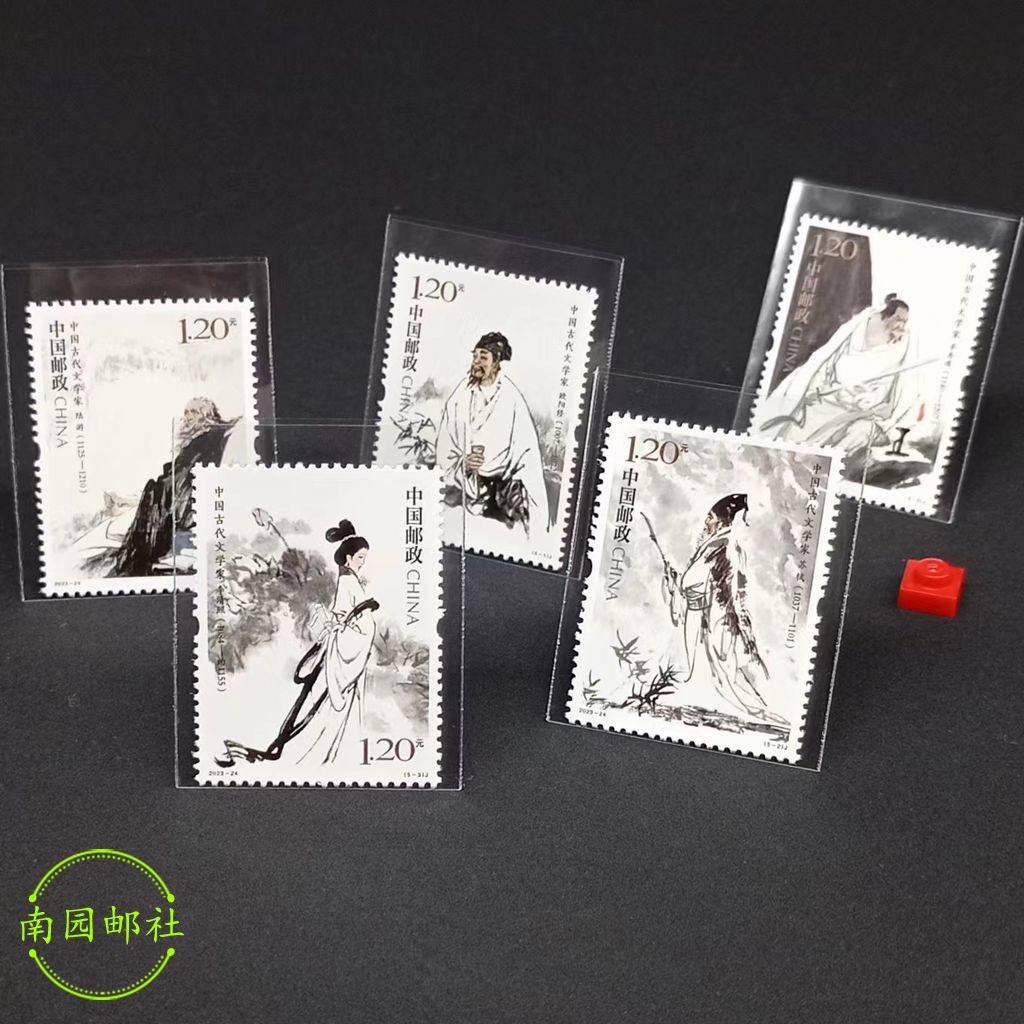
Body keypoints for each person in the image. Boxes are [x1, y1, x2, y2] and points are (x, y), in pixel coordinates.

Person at [217, 520, 378, 767]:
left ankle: (283, 749)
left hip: (347, 646)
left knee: (316, 704)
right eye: (360, 558)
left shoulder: (351, 580)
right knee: (318, 707)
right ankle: (289, 751)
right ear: (348, 558)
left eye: (364, 558)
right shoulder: (348, 581)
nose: (362, 562)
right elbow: (342, 616)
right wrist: (354, 627)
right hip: (344, 649)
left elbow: (345, 616)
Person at [755, 294, 926, 474]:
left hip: (861, 406)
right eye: (899, 319)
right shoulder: (862, 323)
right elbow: (832, 360)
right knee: (798, 428)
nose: (902, 324)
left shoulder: (900, 343)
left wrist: (870, 397)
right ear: (888, 314)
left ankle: (802, 466)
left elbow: (890, 385)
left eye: (904, 321)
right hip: (832, 394)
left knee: (844, 434)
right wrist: (831, 385)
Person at [648, 495, 782, 724]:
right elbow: (694, 580)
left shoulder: (726, 545)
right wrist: (676, 579)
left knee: (721, 671)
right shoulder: (713, 543)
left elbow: (731, 586)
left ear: (720, 521)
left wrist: (732, 616)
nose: (706, 522)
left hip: (713, 615)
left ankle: (720, 705)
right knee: (695, 663)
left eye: (709, 517)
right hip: (697, 612)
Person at [435, 332, 550, 533]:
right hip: (464, 486)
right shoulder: (461, 394)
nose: (476, 362)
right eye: (475, 356)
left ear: (496, 362)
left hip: (503, 492)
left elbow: (526, 452)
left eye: (483, 357)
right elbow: (446, 443)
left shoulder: (511, 398)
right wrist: (464, 462)